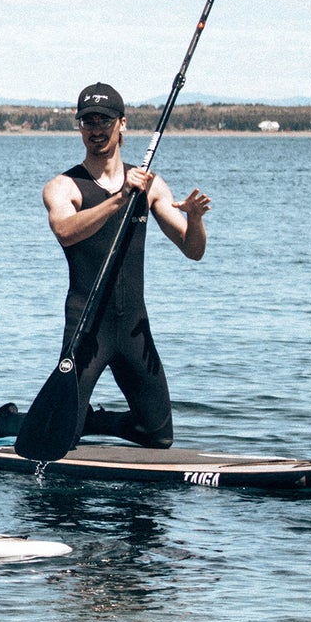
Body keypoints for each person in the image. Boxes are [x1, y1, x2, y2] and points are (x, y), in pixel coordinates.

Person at [40, 82, 210, 448]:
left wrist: (195, 219)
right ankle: (30, 421)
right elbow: (66, 231)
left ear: (123, 124)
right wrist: (118, 199)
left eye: (104, 120)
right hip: (87, 327)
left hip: (134, 328)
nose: (96, 129)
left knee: (159, 436)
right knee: (59, 439)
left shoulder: (149, 185)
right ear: (79, 127)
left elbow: (192, 250)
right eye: (88, 122)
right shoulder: (63, 186)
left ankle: (93, 421)